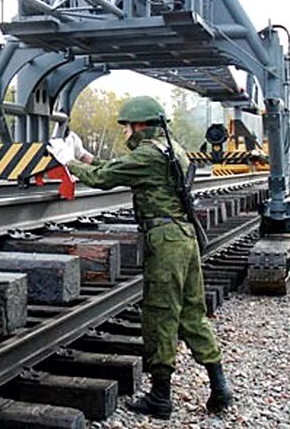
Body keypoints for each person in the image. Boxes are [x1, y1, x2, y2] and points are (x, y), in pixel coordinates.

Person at [48, 96, 233, 420]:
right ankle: (220, 386)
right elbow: (121, 168)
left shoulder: (148, 154)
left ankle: (161, 398)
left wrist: (68, 160)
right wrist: (85, 155)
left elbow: (104, 178)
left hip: (165, 242)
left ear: (141, 125)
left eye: (128, 127)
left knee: (161, 315)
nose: (126, 133)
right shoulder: (171, 148)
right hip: (184, 237)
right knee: (192, 313)